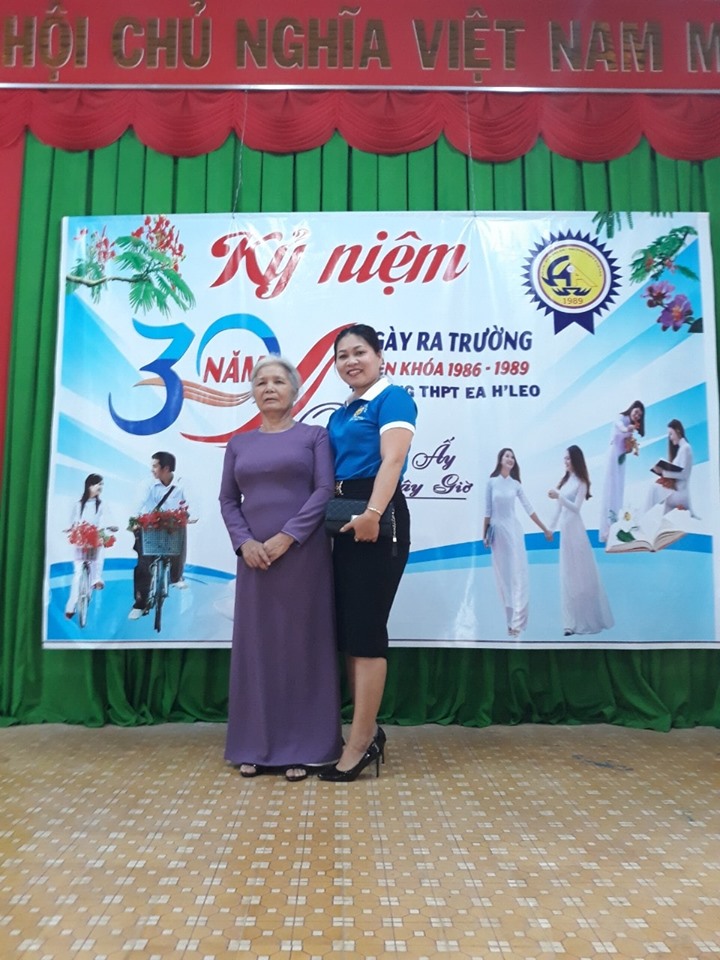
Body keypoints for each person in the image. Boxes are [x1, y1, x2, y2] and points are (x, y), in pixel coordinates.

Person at [219, 356, 342, 782]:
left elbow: (324, 490)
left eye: (277, 381)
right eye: (260, 382)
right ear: (252, 393)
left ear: (295, 391)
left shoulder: (315, 436)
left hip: (303, 556)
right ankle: (253, 746)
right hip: (255, 561)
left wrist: (288, 536)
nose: (269, 388)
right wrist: (244, 543)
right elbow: (228, 500)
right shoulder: (239, 444)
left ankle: (304, 747)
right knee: (258, 648)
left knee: (301, 645)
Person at [319, 324, 417, 783]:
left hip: (377, 515)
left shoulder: (392, 398)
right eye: (342, 356)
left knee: (367, 630)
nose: (351, 361)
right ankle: (365, 732)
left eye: (359, 352)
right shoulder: (342, 411)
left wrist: (374, 513)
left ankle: (359, 745)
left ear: (379, 357)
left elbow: (392, 460)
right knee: (351, 632)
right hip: (342, 515)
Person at [483, 448, 553, 638]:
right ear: (500, 459)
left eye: (512, 456)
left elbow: (529, 508)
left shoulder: (515, 485)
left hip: (514, 533)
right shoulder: (491, 483)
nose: (510, 459)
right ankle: (509, 622)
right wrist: (484, 535)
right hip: (498, 534)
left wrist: (545, 529)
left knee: (518, 575)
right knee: (504, 577)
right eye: (507, 456)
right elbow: (488, 511)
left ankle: (518, 622)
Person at [548, 445, 614, 637]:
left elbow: (576, 508)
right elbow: (558, 510)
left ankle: (588, 619)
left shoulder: (582, 482)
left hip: (576, 530)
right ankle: (569, 623)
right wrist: (550, 529)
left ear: (576, 460)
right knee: (567, 575)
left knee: (582, 576)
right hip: (565, 530)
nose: (565, 462)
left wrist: (559, 496)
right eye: (565, 458)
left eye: (568, 458)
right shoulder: (565, 481)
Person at [128, 451, 190, 620]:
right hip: (149, 527)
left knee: (180, 536)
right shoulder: (147, 484)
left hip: (172, 527)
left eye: (155, 466)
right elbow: (138, 503)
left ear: (166, 468)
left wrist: (190, 516)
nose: (152, 470)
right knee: (143, 564)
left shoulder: (181, 484)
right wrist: (134, 520)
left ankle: (176, 577)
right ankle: (140, 604)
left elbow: (191, 503)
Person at [65, 473, 111, 619]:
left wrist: (110, 528)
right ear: (89, 485)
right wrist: (70, 529)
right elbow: (71, 521)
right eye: (98, 484)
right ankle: (71, 606)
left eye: (102, 484)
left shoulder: (101, 505)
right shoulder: (78, 505)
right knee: (78, 573)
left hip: (94, 539)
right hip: (81, 540)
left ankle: (97, 578)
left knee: (99, 553)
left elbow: (108, 519)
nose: (100, 487)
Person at [598, 401, 645, 542]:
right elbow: (620, 428)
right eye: (636, 412)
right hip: (613, 456)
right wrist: (627, 429)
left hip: (621, 458)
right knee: (611, 489)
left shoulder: (631, 425)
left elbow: (626, 445)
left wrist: (630, 446)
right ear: (631, 409)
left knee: (618, 489)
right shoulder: (621, 418)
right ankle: (607, 528)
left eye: (640, 415)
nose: (637, 416)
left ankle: (615, 526)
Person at [646, 419, 694, 514]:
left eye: (671, 434)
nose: (670, 438)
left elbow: (684, 474)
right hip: (676, 491)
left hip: (679, 493)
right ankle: (644, 516)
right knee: (662, 516)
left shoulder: (686, 448)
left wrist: (663, 472)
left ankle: (642, 517)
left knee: (654, 488)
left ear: (678, 431)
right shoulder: (681, 450)